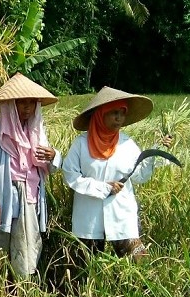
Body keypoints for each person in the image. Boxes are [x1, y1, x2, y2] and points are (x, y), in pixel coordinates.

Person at [62, 86, 173, 261]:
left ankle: (137, 289)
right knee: (86, 266)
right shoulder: (81, 144)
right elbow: (70, 175)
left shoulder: (127, 144)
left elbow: (139, 176)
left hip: (122, 214)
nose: (119, 118)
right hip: (89, 216)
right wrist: (102, 188)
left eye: (122, 113)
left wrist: (155, 153)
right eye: (114, 113)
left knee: (138, 261)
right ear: (100, 114)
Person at [0, 73, 61, 277]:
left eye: (31, 103)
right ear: (10, 104)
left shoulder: (36, 132)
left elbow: (49, 167)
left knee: (26, 245)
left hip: (30, 197)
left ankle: (22, 290)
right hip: (4, 195)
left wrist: (54, 155)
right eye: (21, 102)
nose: (27, 108)